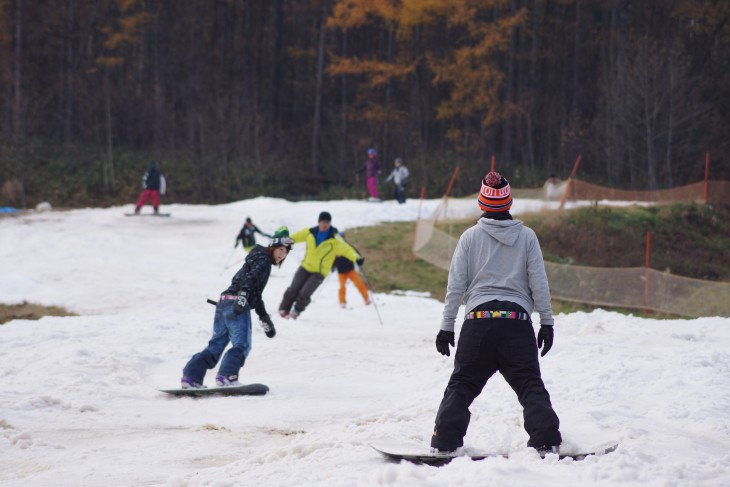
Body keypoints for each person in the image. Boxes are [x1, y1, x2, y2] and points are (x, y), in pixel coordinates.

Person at [430, 171, 562, 454]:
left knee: (462, 384)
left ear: (481, 204)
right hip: (516, 324)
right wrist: (547, 323)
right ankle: (546, 438)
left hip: (478, 324)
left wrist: (446, 327)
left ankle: (444, 441)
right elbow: (539, 283)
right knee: (529, 384)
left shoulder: (469, 238)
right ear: (509, 204)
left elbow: (455, 286)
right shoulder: (527, 238)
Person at [180, 227, 294, 389]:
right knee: (242, 345)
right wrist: (242, 296)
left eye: (286, 253)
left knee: (215, 346)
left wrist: (263, 317)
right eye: (281, 250)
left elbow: (255, 292)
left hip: (224, 302)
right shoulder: (263, 261)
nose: (283, 254)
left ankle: (191, 377)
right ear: (273, 247)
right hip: (237, 304)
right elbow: (251, 280)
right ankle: (227, 376)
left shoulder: (256, 257)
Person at [279, 211, 363, 319]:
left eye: (327, 222)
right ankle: (284, 309)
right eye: (323, 222)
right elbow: (295, 237)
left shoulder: (335, 239)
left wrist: (357, 258)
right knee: (293, 288)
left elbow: (347, 250)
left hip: (319, 272)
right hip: (305, 267)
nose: (325, 224)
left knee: (305, 293)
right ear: (319, 222)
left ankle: (296, 310)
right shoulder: (310, 232)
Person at [332, 232, 370, 308]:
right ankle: (342, 302)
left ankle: (366, 299)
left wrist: (359, 260)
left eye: (342, 238)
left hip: (350, 270)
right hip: (341, 272)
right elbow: (331, 259)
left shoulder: (348, 247)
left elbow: (356, 254)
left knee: (359, 284)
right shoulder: (334, 248)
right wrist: (332, 267)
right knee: (342, 287)